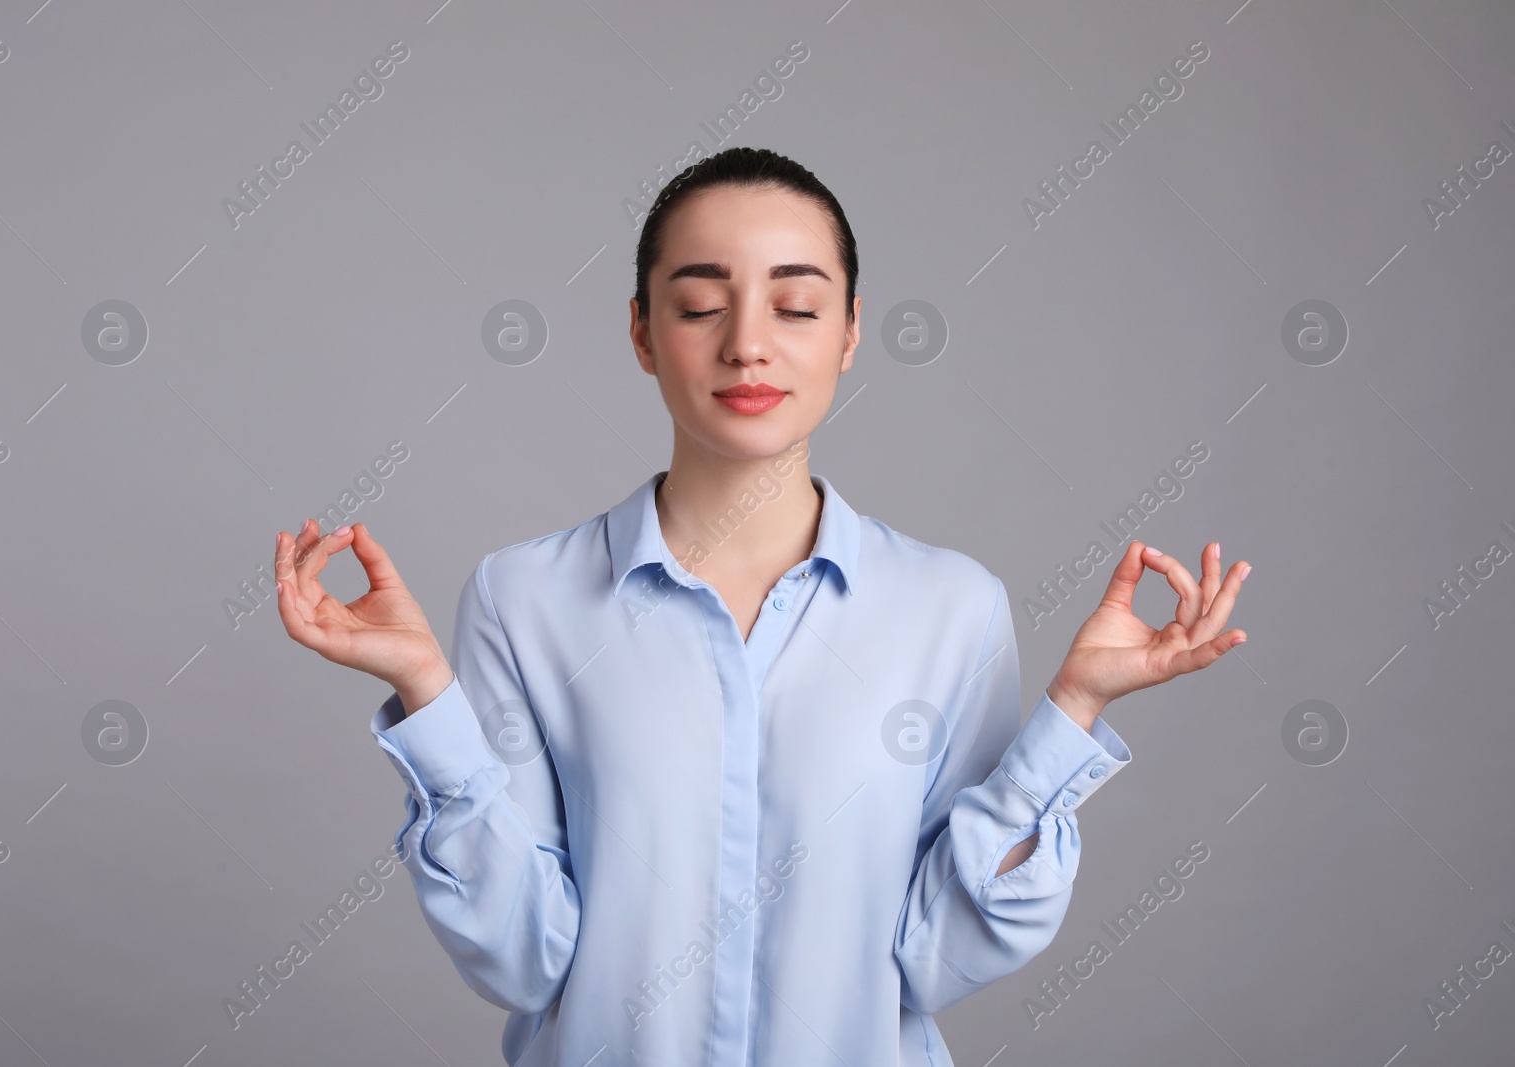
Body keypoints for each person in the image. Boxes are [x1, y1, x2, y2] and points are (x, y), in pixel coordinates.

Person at [273, 146, 1249, 1066]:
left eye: (795, 306)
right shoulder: (523, 595)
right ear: (642, 332)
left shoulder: (949, 606)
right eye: (700, 305)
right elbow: (523, 959)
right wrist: (425, 694)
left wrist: (1073, 708)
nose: (747, 343)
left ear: (852, 332)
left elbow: (940, 954)